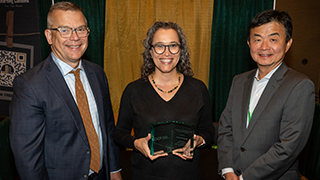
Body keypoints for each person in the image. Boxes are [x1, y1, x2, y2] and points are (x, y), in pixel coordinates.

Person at [9, 2, 122, 180]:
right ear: (49, 36)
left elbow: (106, 128)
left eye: (81, 29)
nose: (75, 37)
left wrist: (114, 169)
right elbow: (27, 157)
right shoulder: (29, 85)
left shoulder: (98, 73)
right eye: (64, 30)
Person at [217, 10, 315, 180]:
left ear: (288, 43)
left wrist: (244, 178)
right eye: (257, 39)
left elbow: (288, 147)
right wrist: (227, 170)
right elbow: (225, 129)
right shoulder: (239, 81)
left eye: (273, 39)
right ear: (249, 43)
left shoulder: (300, 85)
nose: (264, 47)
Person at [113, 21, 214, 180]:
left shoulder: (198, 89)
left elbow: (209, 130)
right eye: (159, 46)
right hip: (144, 176)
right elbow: (119, 133)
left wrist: (200, 140)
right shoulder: (133, 90)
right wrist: (135, 144)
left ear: (181, 51)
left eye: (173, 46)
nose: (166, 53)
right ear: (150, 51)